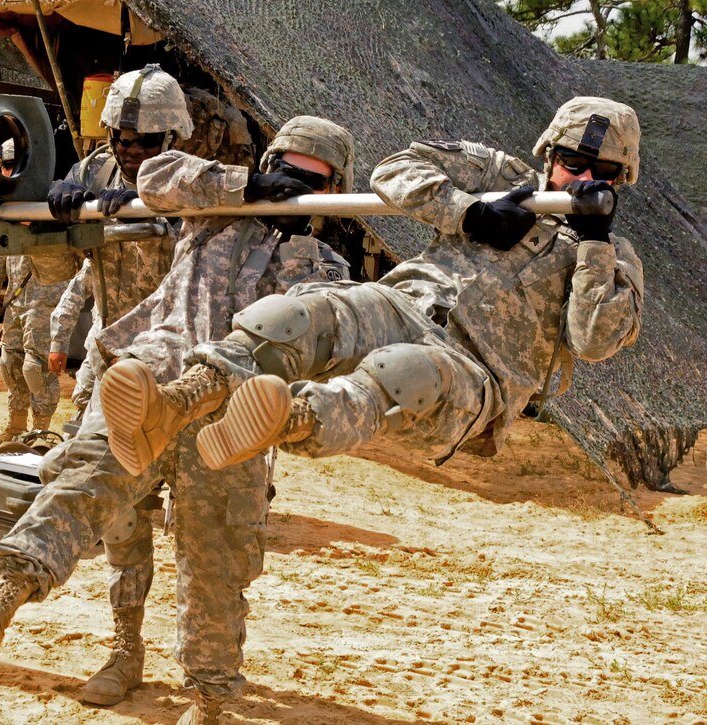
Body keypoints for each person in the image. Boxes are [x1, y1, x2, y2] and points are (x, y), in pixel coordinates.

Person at [0, 115, 356, 724]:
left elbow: (325, 348)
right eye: (286, 170)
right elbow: (161, 173)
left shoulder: (320, 269)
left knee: (214, 560)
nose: (294, 187)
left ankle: (211, 699)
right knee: (84, 487)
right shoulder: (210, 214)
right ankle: (8, 605)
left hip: (229, 421)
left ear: (333, 192)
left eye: (310, 180)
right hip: (147, 385)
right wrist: (246, 186)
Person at [99, 97, 644, 494]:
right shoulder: (499, 176)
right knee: (303, 313)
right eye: (572, 163)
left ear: (622, 180)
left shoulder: (615, 257)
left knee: (402, 372)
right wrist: (470, 212)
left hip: (477, 376)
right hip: (403, 305)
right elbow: (394, 170)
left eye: (602, 173)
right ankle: (176, 403)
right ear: (549, 152)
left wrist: (593, 242)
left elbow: (592, 341)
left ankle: (285, 420)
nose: (581, 179)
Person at [44, 65, 189, 707]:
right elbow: (52, 265)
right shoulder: (93, 172)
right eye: (120, 139)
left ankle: (208, 672)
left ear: (174, 136)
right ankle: (126, 651)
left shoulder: (196, 183)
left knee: (205, 535)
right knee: (121, 519)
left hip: (189, 376)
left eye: (145, 143)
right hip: (113, 373)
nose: (129, 153)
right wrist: (59, 215)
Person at [0, 141, 79, 446]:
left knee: (37, 367)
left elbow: (77, 255)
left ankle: (42, 432)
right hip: (17, 301)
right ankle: (15, 428)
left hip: (48, 298)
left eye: (14, 165)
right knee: (9, 363)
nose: (8, 172)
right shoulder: (6, 206)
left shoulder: (54, 201)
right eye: (4, 165)